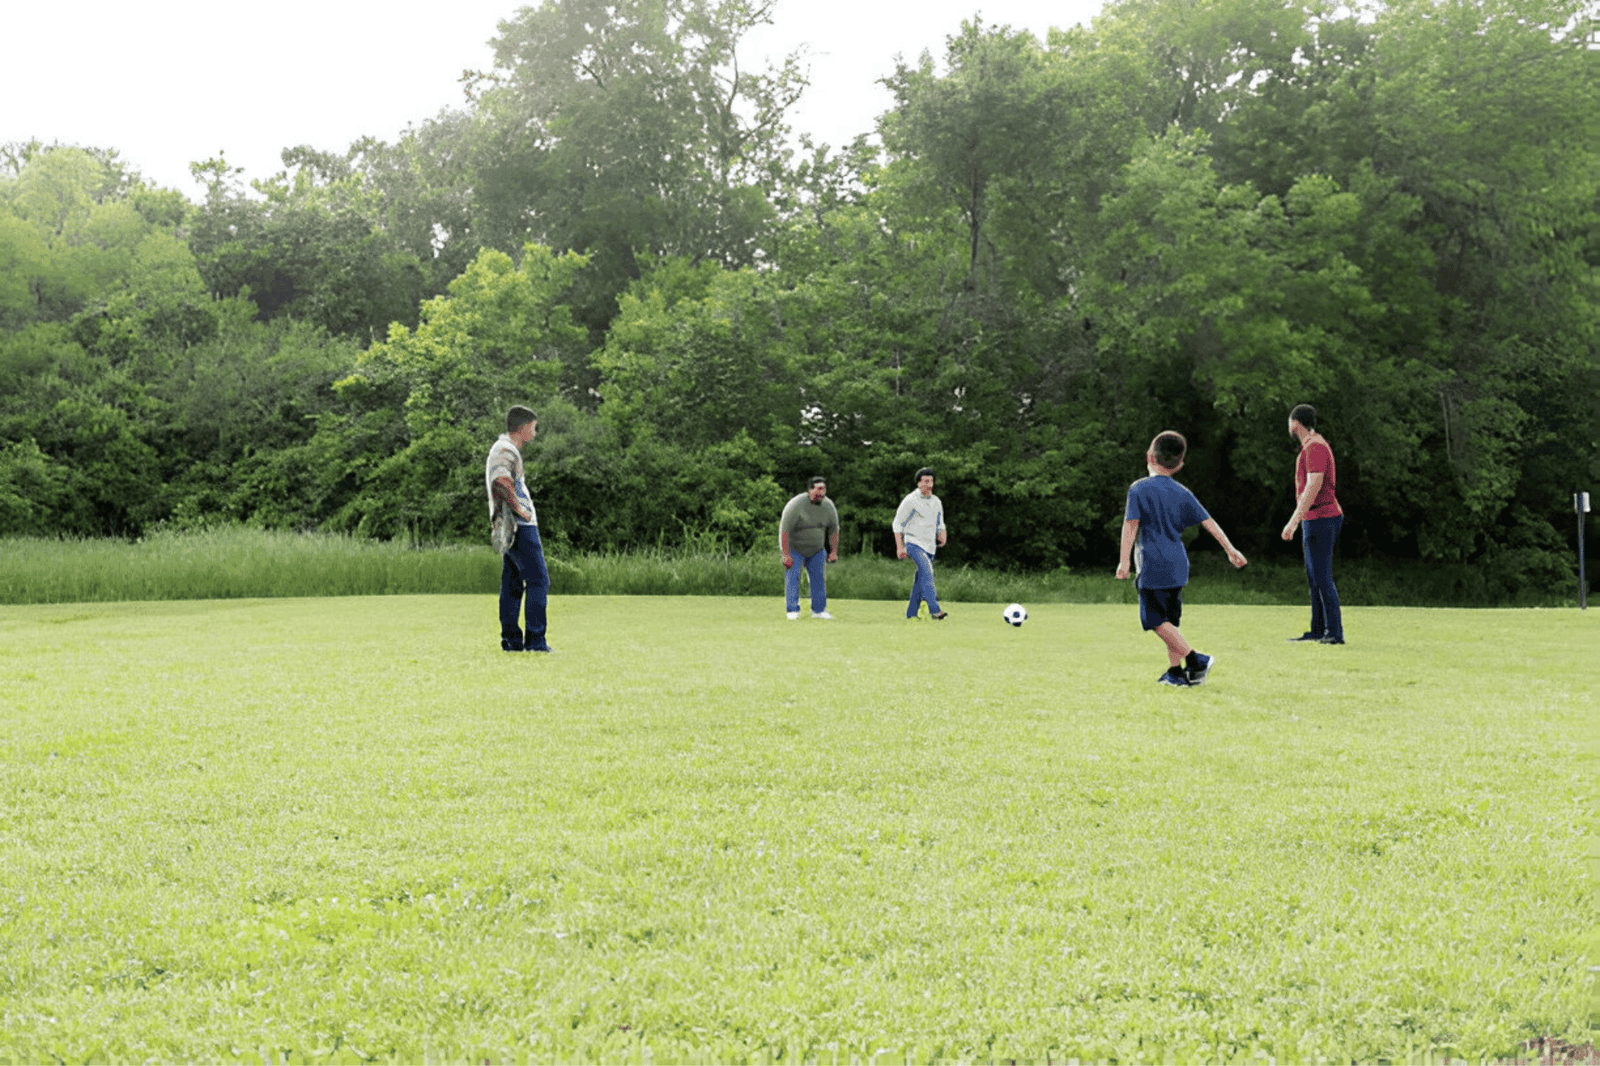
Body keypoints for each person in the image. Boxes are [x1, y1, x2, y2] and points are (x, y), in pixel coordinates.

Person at [1116, 431, 1248, 687]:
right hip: (1178, 564)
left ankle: (1195, 659)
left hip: (1153, 564)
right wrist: (1230, 550)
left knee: (1155, 621)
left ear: (1149, 455)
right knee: (1170, 623)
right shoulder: (1183, 492)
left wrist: (1124, 561)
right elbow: (1209, 523)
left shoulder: (1139, 488)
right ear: (1179, 464)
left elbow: (1130, 526)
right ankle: (1176, 673)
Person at [485, 406, 552, 653]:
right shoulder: (505, 449)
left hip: (510, 526)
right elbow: (500, 481)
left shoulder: (503, 449)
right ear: (523, 427)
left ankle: (511, 641)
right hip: (520, 526)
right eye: (534, 427)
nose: (535, 433)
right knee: (539, 581)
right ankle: (536, 641)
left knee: (513, 584)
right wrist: (520, 510)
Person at [1280, 403, 1345, 644]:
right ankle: (1317, 630)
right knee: (1314, 576)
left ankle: (1335, 632)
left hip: (1322, 517)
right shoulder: (1309, 446)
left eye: (1289, 421)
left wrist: (1292, 521)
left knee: (1322, 575)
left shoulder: (1316, 447)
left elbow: (1313, 486)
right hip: (1314, 518)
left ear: (1295, 423)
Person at [779, 476, 841, 619]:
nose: (822, 492)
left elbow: (834, 530)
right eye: (819, 489)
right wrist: (786, 554)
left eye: (824, 489)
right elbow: (785, 530)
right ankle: (792, 610)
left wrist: (833, 551)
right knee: (793, 577)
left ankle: (818, 610)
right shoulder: (796, 505)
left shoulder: (828, 506)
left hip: (817, 550)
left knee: (818, 579)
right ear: (810, 490)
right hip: (795, 548)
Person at [893, 467, 948, 620]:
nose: (928, 485)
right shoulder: (911, 500)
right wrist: (900, 546)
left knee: (920, 579)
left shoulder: (936, 501)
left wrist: (942, 534)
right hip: (913, 543)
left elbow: (940, 522)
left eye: (930, 481)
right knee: (928, 572)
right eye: (925, 481)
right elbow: (897, 524)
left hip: (930, 546)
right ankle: (935, 611)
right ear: (918, 483)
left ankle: (911, 614)